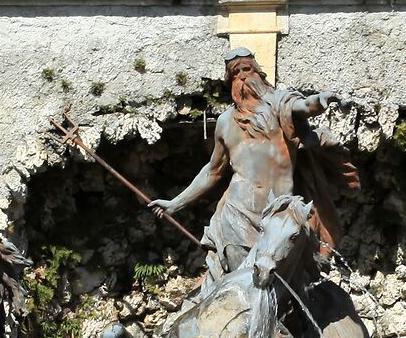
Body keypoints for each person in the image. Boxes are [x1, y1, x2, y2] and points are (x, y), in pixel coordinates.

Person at [150, 48, 353, 281]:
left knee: (294, 286)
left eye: (247, 69)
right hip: (237, 215)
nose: (243, 77)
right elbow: (212, 171)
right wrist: (175, 203)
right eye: (235, 74)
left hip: (280, 215)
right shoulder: (225, 122)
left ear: (258, 73)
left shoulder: (279, 105)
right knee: (241, 285)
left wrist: (318, 102)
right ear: (230, 82)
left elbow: (303, 107)